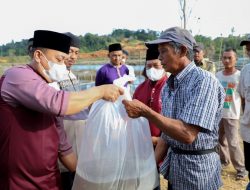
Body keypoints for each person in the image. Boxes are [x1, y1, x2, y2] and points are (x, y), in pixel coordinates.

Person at [0, 30, 123, 190]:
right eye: (59, 59)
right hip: (19, 182)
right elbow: (56, 103)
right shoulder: (17, 76)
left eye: (65, 60)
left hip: (49, 179)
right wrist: (100, 91)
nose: (63, 66)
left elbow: (63, 145)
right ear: (38, 56)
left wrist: (86, 178)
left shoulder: (48, 85)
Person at [122, 26, 225, 190]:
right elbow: (166, 135)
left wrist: (145, 112)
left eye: (163, 51)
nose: (159, 57)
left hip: (198, 173)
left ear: (182, 50)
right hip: (176, 170)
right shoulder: (169, 86)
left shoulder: (204, 82)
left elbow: (187, 134)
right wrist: (149, 169)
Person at [133, 45, 168, 190]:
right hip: (142, 147)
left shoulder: (170, 87)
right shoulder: (140, 88)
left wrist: (157, 140)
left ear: (163, 65)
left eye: (156, 65)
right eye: (149, 66)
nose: (152, 69)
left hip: (165, 144)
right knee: (149, 183)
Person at [57, 32, 86, 190]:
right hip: (64, 139)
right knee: (65, 177)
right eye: (70, 51)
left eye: (76, 52)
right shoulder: (54, 76)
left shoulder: (73, 75)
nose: (73, 56)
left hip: (79, 141)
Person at [216, 48, 247, 180]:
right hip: (218, 114)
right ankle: (224, 161)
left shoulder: (240, 75)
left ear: (235, 59)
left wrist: (244, 113)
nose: (226, 60)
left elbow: (245, 96)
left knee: (233, 143)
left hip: (232, 114)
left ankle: (241, 169)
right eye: (224, 57)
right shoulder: (217, 75)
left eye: (230, 57)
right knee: (220, 140)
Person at [238, 35, 250, 190]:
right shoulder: (246, 70)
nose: (249, 51)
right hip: (248, 129)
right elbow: (242, 96)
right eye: (248, 48)